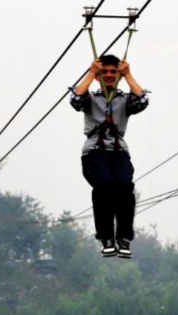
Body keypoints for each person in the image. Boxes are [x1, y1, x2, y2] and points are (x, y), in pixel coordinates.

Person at [70, 54, 149, 258]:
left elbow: (142, 101)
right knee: (104, 186)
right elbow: (76, 100)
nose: (109, 75)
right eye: (105, 72)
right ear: (98, 76)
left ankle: (123, 236)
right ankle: (106, 236)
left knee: (124, 186)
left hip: (118, 150)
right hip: (95, 151)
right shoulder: (91, 98)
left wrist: (128, 74)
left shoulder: (124, 99)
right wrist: (91, 73)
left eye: (113, 72)